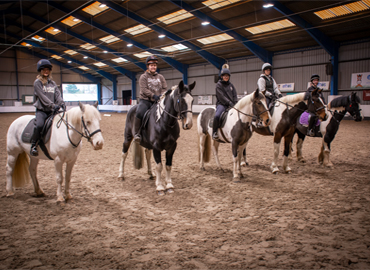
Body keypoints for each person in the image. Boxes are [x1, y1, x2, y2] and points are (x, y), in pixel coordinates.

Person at [30, 59, 66, 156]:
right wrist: (52, 105)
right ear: (40, 71)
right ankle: (34, 145)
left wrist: (61, 103)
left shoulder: (53, 83)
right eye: (44, 69)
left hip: (52, 111)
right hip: (42, 111)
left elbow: (57, 95)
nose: (46, 71)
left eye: (48, 70)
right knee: (39, 125)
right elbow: (42, 97)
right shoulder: (37, 83)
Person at [133, 55, 167, 143]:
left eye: (155, 65)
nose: (153, 67)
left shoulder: (161, 77)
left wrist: (161, 95)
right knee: (140, 112)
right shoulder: (143, 77)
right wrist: (153, 95)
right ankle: (137, 133)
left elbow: (164, 88)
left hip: (158, 101)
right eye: (151, 65)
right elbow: (144, 89)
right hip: (146, 100)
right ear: (148, 66)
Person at [212, 64, 238, 140]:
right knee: (217, 116)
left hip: (232, 104)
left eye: (227, 76)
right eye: (224, 76)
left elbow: (234, 95)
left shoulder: (231, 85)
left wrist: (236, 103)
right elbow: (221, 97)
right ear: (222, 76)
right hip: (222, 105)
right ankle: (214, 132)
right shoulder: (218, 85)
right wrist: (229, 103)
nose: (226, 77)